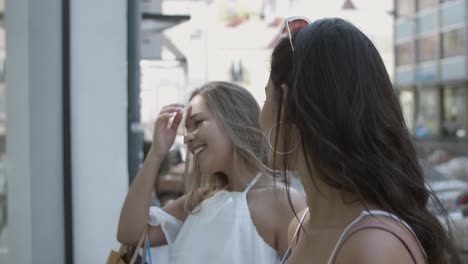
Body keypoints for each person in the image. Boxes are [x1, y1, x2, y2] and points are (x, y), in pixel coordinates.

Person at [260, 17, 460, 263]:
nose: (260, 118)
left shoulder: (376, 248)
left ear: (287, 105)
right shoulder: (299, 226)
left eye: (265, 98)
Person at [117, 81, 305, 263]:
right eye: (187, 128)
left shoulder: (284, 201)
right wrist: (156, 153)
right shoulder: (200, 201)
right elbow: (129, 234)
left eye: (197, 122)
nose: (187, 138)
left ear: (234, 120)